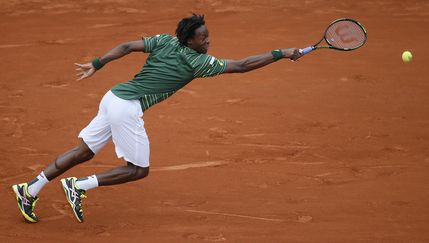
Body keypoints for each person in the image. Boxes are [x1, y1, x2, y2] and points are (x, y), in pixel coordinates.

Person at [12, 13, 302, 223]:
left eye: (208, 36)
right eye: (203, 38)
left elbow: (126, 47)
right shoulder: (198, 62)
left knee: (84, 151)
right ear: (189, 40)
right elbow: (241, 66)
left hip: (112, 96)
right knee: (138, 170)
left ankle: (30, 189)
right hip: (127, 107)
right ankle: (79, 186)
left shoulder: (164, 41)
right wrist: (282, 53)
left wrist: (97, 64)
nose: (208, 41)